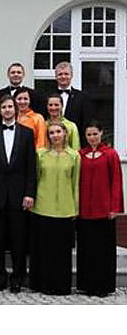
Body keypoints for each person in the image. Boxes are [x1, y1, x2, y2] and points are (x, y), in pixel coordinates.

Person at [0, 95, 36, 293]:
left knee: (18, 241)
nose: (7, 110)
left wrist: (30, 193)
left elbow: (31, 167)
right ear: (0, 110)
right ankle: (0, 279)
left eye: (10, 106)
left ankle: (17, 279)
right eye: (3, 107)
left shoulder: (27, 133)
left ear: (16, 109)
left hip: (19, 195)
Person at [29, 121, 80, 295]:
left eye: (58, 131)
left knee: (62, 251)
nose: (55, 135)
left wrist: (75, 207)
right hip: (43, 207)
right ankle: (42, 284)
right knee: (44, 249)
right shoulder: (40, 154)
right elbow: (35, 179)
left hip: (65, 209)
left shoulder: (74, 156)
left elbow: (75, 183)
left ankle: (61, 285)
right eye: (51, 133)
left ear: (65, 133)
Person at [77, 121, 124, 297]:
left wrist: (115, 207)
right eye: (89, 135)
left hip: (104, 210)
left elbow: (117, 181)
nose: (92, 138)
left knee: (103, 250)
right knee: (87, 249)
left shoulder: (110, 154)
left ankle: (103, 286)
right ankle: (87, 285)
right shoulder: (80, 155)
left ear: (101, 133)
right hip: (84, 210)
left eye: (95, 134)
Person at [53, 61, 94, 138]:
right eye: (60, 74)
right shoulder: (47, 96)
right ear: (56, 76)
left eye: (66, 74)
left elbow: (86, 123)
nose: (63, 76)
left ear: (71, 75)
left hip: (76, 140)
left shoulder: (83, 97)